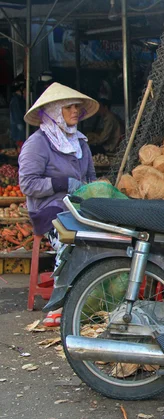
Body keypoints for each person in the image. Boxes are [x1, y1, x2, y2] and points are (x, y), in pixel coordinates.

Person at [18, 83, 98, 326]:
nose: (76, 111)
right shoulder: (38, 143)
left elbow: (91, 178)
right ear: (54, 111)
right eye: (70, 107)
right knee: (70, 239)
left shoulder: (80, 143)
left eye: (77, 107)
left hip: (79, 207)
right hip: (48, 210)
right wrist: (62, 183)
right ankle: (60, 303)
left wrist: (94, 190)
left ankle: (90, 298)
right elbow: (28, 184)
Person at [9, 76, 26, 150]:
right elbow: (18, 121)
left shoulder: (20, 100)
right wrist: (23, 135)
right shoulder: (16, 101)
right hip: (19, 135)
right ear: (21, 89)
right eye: (25, 89)